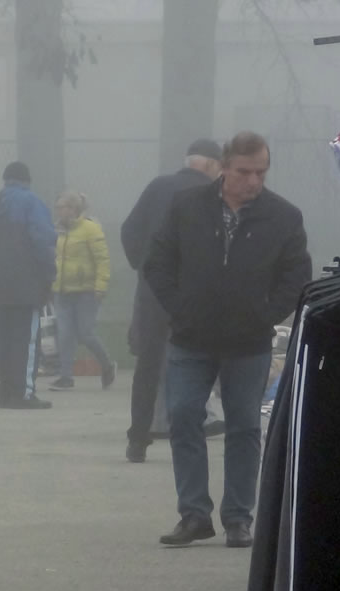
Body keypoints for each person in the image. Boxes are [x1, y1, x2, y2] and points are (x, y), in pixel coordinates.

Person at [144, 131, 312, 548]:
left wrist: (266, 314)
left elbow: (296, 276)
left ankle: (238, 518)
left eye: (261, 172)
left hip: (248, 342)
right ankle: (194, 514)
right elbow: (158, 261)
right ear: (223, 167)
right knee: (184, 415)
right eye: (244, 171)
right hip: (190, 337)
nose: (253, 180)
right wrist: (179, 307)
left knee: (244, 426)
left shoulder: (284, 217)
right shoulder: (186, 207)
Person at [121, 139, 223, 463]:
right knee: (195, 361)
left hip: (154, 290)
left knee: (148, 364)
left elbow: (129, 230)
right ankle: (189, 433)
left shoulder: (157, 187)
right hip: (196, 292)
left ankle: (138, 438)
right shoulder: (215, 194)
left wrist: (143, 266)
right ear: (211, 165)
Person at [0, 161, 57, 409]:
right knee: (26, 339)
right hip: (28, 282)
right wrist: (49, 275)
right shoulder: (32, 202)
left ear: (5, 179)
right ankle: (24, 394)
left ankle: (6, 392)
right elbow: (43, 241)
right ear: (27, 180)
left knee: (5, 338)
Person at [48, 191, 116, 391]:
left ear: (73, 209)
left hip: (86, 291)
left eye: (62, 207)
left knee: (85, 334)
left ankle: (107, 365)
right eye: (57, 207)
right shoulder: (57, 231)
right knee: (64, 334)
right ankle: (66, 377)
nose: (58, 211)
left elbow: (102, 259)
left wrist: (101, 285)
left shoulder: (90, 229)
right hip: (61, 290)